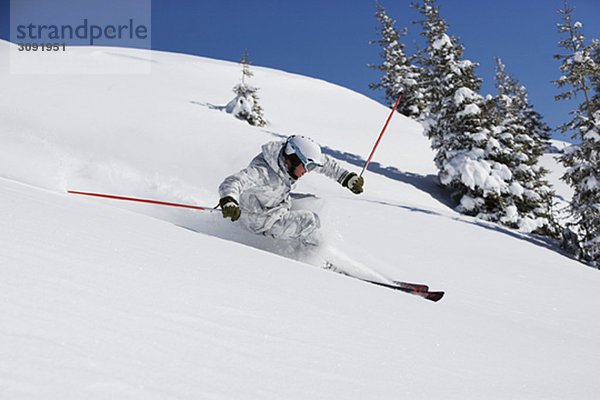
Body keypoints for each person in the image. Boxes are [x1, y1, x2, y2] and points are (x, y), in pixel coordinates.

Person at [218, 135, 364, 247]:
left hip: (276, 203)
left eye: (312, 167)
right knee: (310, 221)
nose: (308, 171)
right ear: (294, 159)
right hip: (261, 221)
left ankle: (302, 241)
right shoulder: (264, 172)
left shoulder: (286, 159)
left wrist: (346, 178)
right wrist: (229, 200)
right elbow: (234, 181)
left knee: (313, 202)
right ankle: (311, 257)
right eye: (308, 167)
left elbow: (324, 164)